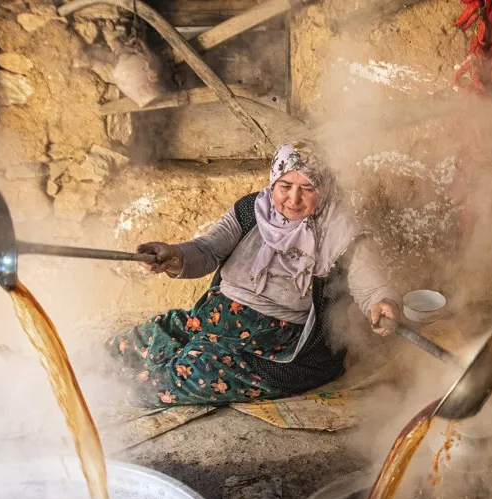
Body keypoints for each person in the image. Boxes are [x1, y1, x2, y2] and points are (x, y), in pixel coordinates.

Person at [108, 141, 399, 407]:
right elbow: (209, 249)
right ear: (273, 180)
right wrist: (175, 255)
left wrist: (381, 301)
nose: (293, 199)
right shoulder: (252, 209)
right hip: (215, 319)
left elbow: (369, 283)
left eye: (307, 188)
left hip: (275, 349)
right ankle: (82, 374)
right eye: (285, 185)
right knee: (143, 338)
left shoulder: (341, 230)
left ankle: (102, 399)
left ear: (324, 188)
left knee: (188, 373)